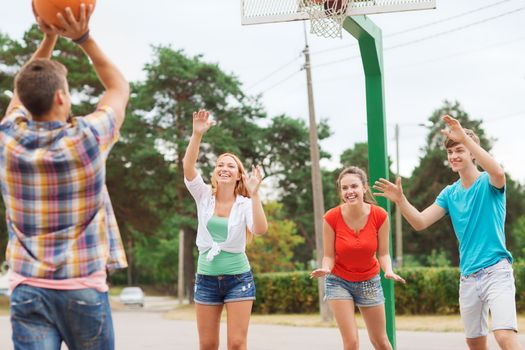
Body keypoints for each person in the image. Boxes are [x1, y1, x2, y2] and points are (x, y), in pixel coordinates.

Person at [2, 5, 129, 349]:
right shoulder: (88, 139)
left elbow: (20, 95)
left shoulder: (7, 140)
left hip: (28, 288)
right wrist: (83, 37)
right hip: (82, 288)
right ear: (61, 97)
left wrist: (48, 38)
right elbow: (118, 87)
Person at [373, 115, 522, 350]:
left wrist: (465, 136)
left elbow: (499, 172)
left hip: (497, 271)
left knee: (503, 335)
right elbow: (420, 222)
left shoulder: (488, 183)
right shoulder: (449, 194)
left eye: (459, 150)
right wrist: (400, 200)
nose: (453, 156)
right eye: (450, 153)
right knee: (475, 343)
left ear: (473, 152)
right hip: (468, 277)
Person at [183, 109, 268, 350]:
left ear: (239, 175)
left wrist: (255, 194)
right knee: (208, 344)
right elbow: (188, 166)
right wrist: (197, 135)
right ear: (215, 172)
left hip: (238, 279)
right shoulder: (203, 197)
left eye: (230, 165)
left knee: (237, 344)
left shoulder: (244, 203)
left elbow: (260, 229)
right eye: (220, 164)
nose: (224, 168)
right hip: (206, 279)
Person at [311, 166, 405, 350]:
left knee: (381, 342)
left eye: (354, 186)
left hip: (369, 280)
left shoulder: (380, 216)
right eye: (344, 188)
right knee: (351, 342)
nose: (349, 192)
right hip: (338, 281)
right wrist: (326, 268)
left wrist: (389, 270)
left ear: (364, 188)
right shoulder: (331, 217)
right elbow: (329, 256)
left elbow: (383, 253)